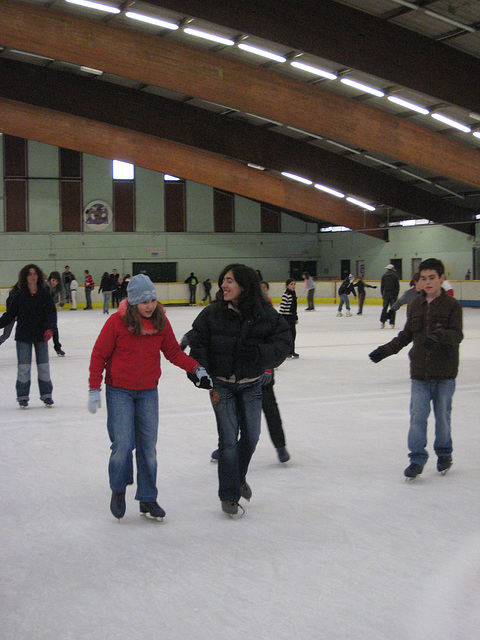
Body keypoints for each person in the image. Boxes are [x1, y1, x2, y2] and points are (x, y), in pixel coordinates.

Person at [88, 274, 212, 521]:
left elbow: (173, 353)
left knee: (148, 448)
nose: (149, 305)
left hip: (147, 392)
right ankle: (119, 488)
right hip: (119, 391)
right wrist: (94, 389)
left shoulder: (160, 322)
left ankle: (147, 498)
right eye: (144, 301)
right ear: (133, 302)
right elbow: (99, 355)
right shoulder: (116, 323)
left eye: (153, 300)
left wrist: (196, 368)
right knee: (123, 445)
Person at [186, 264, 292, 516]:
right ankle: (229, 495)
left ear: (244, 286)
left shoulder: (265, 314)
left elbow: (283, 342)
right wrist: (199, 372)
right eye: (223, 280)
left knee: (252, 436)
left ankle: (239, 477)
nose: (223, 285)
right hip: (221, 386)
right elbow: (198, 343)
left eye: (229, 281)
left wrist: (258, 354)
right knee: (228, 441)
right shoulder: (212, 314)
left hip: (251, 385)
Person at [369, 258, 463, 479]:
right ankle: (417, 459)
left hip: (445, 373)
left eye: (432, 278)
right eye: (423, 278)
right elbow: (405, 336)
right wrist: (384, 350)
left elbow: (457, 335)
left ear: (441, 279)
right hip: (419, 373)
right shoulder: (415, 305)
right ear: (418, 281)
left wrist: (439, 336)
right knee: (417, 417)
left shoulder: (452, 306)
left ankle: (444, 453)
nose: (428, 282)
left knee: (442, 417)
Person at [0, 264, 56, 408]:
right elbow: (10, 315)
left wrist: (51, 329)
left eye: (35, 274)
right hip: (23, 336)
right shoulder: (19, 295)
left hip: (41, 335)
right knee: (24, 367)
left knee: (43, 367)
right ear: (25, 277)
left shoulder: (44, 294)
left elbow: (51, 314)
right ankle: (22, 396)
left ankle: (47, 395)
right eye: (30, 274)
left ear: (38, 276)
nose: (33, 276)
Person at [45, 271, 66, 356]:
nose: (54, 283)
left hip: (52, 309)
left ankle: (58, 348)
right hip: (43, 309)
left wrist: (62, 301)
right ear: (50, 279)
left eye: (56, 281)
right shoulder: (45, 286)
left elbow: (63, 293)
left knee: (55, 329)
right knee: (43, 329)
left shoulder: (59, 286)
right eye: (53, 280)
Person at [279, 278, 299, 358]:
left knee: (293, 334)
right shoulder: (286, 295)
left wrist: (295, 317)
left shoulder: (293, 295)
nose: (293, 286)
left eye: (294, 284)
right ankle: (287, 352)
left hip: (292, 317)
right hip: (286, 318)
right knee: (288, 335)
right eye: (291, 284)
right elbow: (282, 308)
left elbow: (294, 308)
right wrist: (280, 319)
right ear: (287, 286)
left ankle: (292, 351)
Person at [380, 264, 400, 328]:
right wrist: (396, 294)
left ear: (387, 269)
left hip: (386, 294)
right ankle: (392, 322)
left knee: (384, 308)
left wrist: (382, 294)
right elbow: (397, 287)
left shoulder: (384, 276)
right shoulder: (395, 276)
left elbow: (382, 286)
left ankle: (382, 321)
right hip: (393, 294)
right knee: (393, 308)